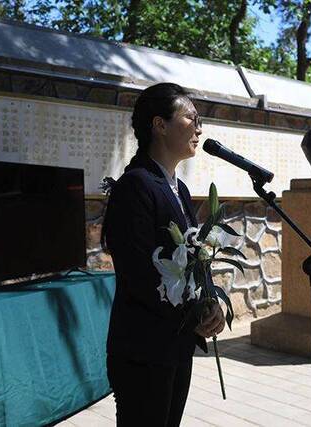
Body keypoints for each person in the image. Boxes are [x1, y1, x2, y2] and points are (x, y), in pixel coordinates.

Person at [102, 82, 226, 426]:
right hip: (143, 347)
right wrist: (194, 314)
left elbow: (193, 253)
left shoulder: (178, 187)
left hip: (175, 343)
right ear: (159, 124)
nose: (199, 129)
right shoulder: (136, 185)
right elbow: (139, 273)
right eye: (191, 118)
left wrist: (209, 300)